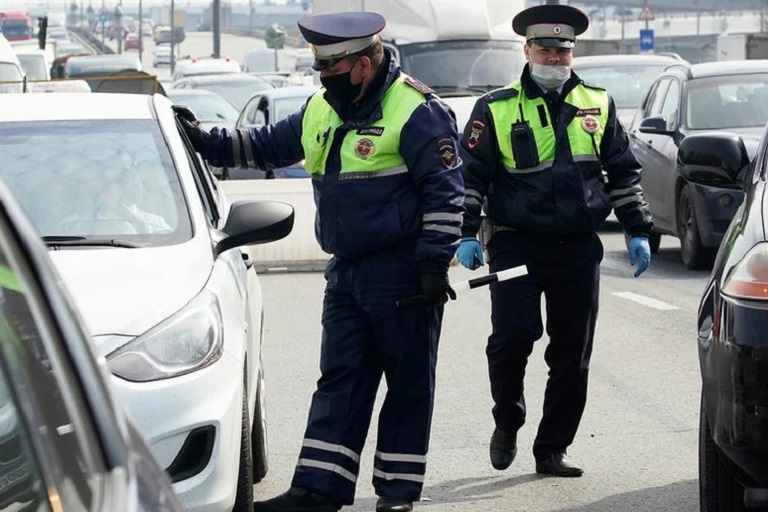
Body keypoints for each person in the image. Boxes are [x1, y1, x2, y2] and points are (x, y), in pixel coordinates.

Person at [175, 11, 464, 512]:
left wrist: (433, 266)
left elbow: (445, 192)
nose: (322, 78)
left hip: (402, 273)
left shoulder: (417, 110)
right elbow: (264, 145)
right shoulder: (322, 108)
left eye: (331, 68)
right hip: (347, 273)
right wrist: (202, 137)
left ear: (363, 65)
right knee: (340, 380)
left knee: (407, 386)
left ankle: (396, 495)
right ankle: (318, 489)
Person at [454, 4, 653, 478]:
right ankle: (508, 419)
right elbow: (470, 177)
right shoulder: (496, 107)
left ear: (572, 54)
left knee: (571, 353)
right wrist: (465, 232)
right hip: (515, 244)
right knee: (513, 337)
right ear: (527, 50)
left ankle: (552, 448)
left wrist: (638, 229)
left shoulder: (597, 103)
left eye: (562, 51)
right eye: (545, 49)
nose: (554, 58)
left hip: (577, 247)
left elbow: (623, 172)